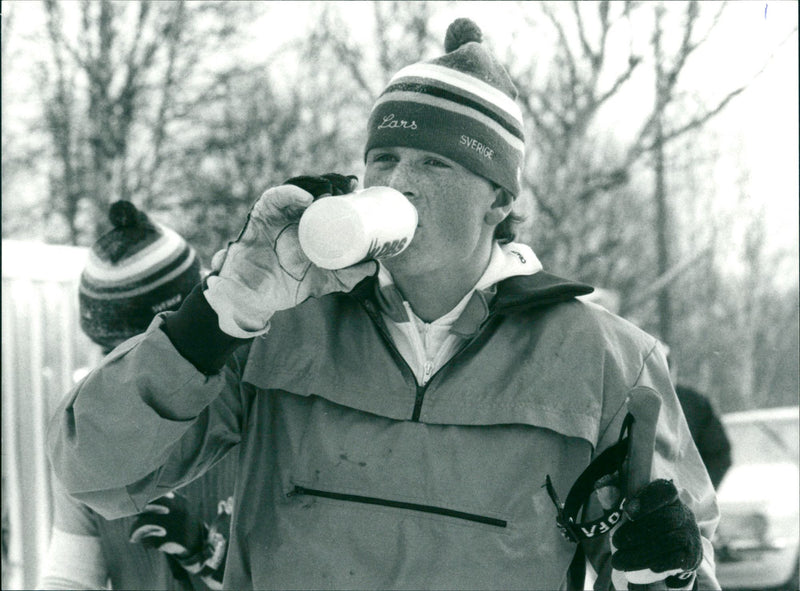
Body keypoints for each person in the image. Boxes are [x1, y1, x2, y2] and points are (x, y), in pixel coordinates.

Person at [47, 19, 720, 590]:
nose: (399, 182)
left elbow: (681, 560)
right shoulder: (279, 328)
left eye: (434, 163)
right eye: (384, 157)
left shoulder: (608, 361)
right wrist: (219, 310)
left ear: (500, 199)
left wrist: (663, 573)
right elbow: (93, 471)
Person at [39, 201, 237, 590]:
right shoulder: (88, 434)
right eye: (111, 355)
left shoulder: (251, 408)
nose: (125, 377)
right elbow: (71, 576)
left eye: (143, 350)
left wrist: (210, 553)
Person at [665, 348, 732, 489]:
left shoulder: (695, 404)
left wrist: (698, 491)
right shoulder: (627, 401)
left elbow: (719, 454)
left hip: (684, 496)